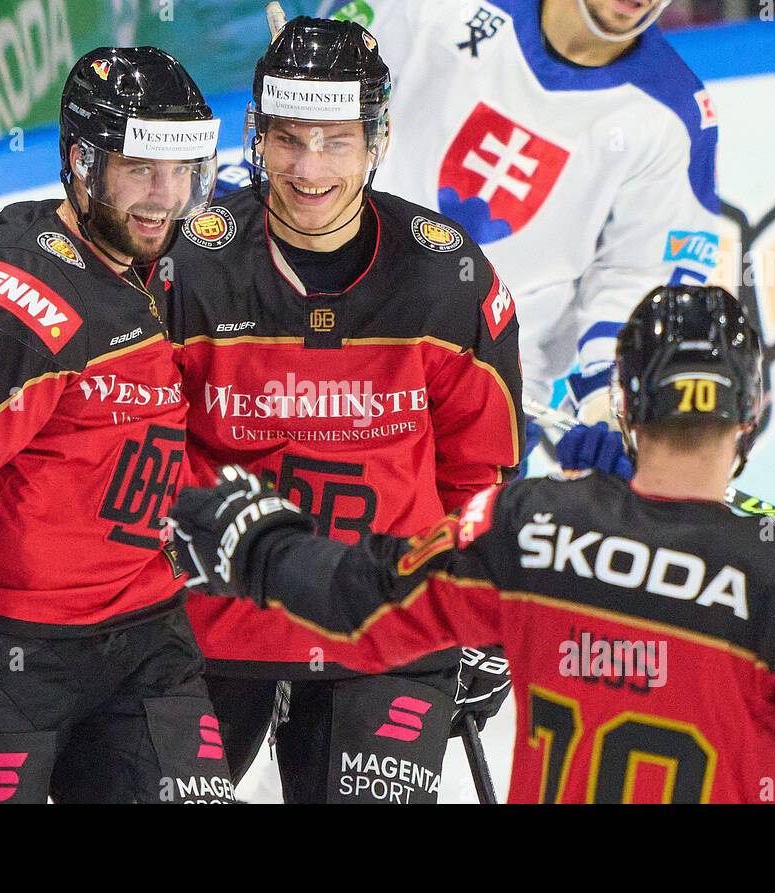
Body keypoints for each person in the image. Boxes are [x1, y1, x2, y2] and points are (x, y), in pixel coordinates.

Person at [170, 285, 775, 803]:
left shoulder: (530, 524)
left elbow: (362, 605)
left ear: (624, 407)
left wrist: (259, 543)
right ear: (752, 412)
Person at [0, 47, 236, 804]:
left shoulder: (167, 254)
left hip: (146, 644)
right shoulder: (23, 300)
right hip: (4, 658)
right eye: (139, 171)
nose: (165, 197)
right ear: (81, 164)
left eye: (184, 170)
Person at [163, 17, 524, 803]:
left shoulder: (448, 278)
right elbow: (136, 446)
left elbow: (481, 472)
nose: (310, 168)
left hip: (388, 629)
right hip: (210, 626)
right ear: (255, 135)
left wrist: (482, 612)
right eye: (289, 139)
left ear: (379, 138)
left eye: (336, 140)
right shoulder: (189, 266)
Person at [328, 0, 721, 434]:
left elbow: (636, 276)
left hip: (485, 403)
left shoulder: (672, 117)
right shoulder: (438, 8)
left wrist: (609, 402)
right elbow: (320, 104)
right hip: (323, 333)